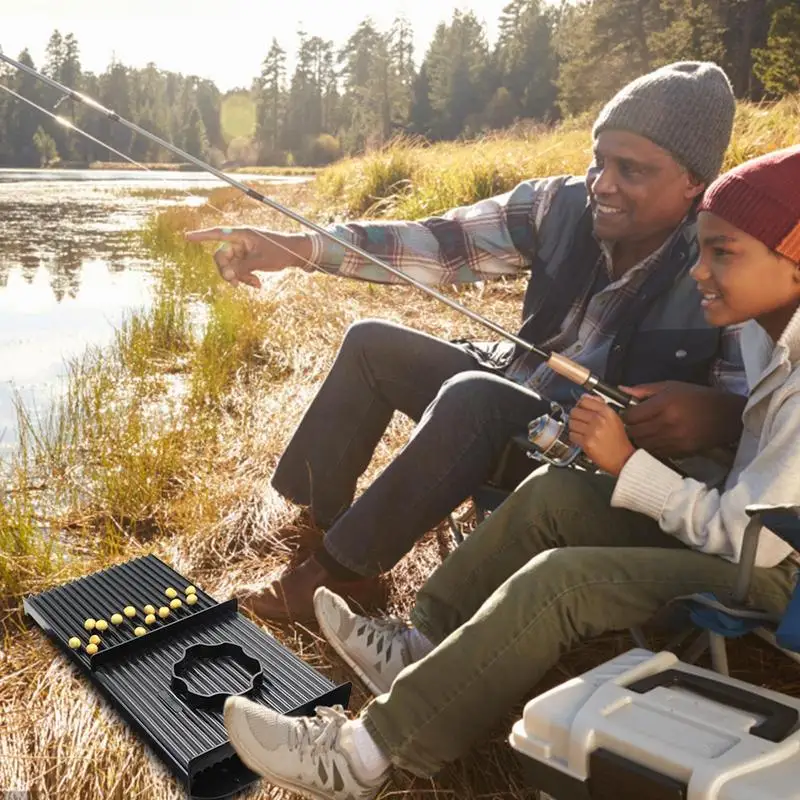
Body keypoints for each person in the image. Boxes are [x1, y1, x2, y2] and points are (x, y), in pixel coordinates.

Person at [222, 145, 800, 799]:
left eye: (723, 252)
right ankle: (419, 643)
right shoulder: (764, 323)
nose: (700, 271)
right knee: (555, 492)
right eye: (700, 249)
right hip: (733, 523)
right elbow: (434, 243)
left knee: (565, 582)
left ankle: (361, 758)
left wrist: (630, 463)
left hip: (769, 574)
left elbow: (747, 536)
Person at [187, 61, 746, 622]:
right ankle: (317, 528)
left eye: (632, 170)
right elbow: (437, 242)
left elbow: (766, 420)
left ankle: (336, 576)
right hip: (510, 386)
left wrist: (723, 415)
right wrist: (297, 249)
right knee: (371, 344)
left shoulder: (726, 259)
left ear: (695, 182)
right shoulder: (558, 203)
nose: (602, 184)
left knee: (474, 396)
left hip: (581, 458)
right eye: (598, 160)